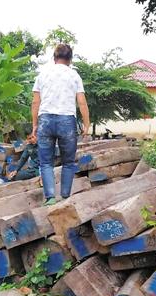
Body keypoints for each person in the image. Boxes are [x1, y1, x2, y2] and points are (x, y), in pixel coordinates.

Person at [31, 43, 90, 206]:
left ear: (54, 58)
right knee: (69, 162)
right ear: (70, 60)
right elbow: (82, 103)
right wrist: (87, 124)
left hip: (45, 120)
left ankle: (50, 197)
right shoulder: (74, 76)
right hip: (67, 121)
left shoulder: (42, 75)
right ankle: (65, 197)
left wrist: (35, 125)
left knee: (46, 162)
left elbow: (35, 102)